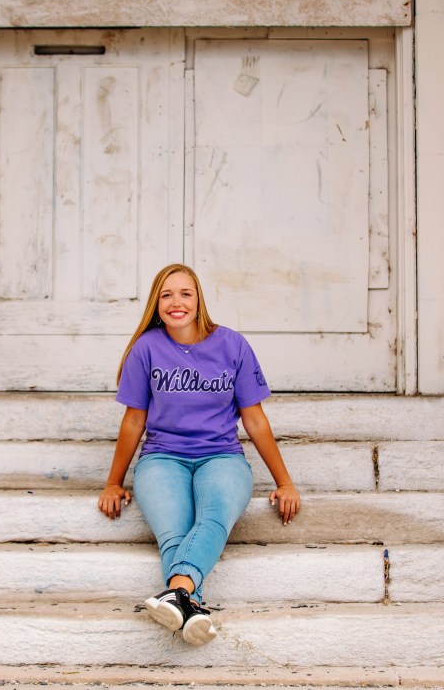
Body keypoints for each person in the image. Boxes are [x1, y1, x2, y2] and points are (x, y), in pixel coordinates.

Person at [97, 263, 301, 646]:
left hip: (221, 456)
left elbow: (255, 420)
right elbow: (134, 421)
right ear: (156, 304)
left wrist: (285, 482)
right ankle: (189, 604)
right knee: (175, 533)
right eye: (166, 295)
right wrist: (113, 482)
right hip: (162, 458)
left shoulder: (232, 345)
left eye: (185, 294)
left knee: (212, 518)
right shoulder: (146, 349)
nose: (176, 302)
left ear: (199, 300)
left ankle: (176, 596)